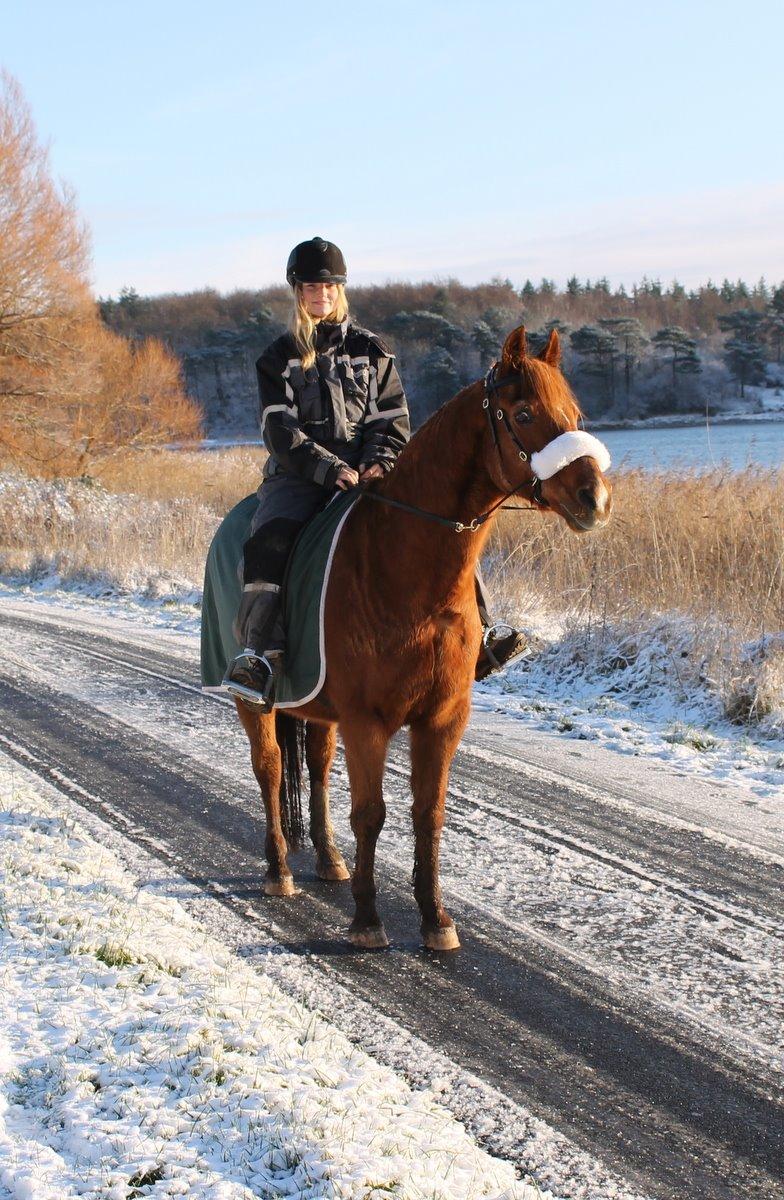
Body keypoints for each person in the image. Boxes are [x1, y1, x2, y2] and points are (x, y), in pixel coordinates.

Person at [223, 236, 527, 709]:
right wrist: (330, 470)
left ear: (340, 290)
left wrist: (377, 461)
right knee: (269, 541)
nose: (321, 294)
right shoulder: (277, 357)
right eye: (311, 286)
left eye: (329, 286)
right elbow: (279, 431)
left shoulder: (372, 350)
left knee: (444, 527)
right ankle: (260, 655)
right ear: (298, 292)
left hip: (370, 470)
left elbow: (391, 418)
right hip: (299, 475)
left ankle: (483, 632)